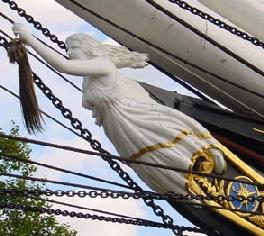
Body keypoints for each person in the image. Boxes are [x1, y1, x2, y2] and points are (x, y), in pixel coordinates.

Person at [12, 23, 226, 195]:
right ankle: (186, 190)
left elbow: (64, 67)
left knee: (171, 143)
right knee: (152, 165)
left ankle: (205, 162)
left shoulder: (103, 65)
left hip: (135, 118)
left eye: (73, 48)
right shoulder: (88, 81)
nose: (69, 53)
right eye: (67, 49)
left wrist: (31, 40)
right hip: (120, 130)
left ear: (89, 49)